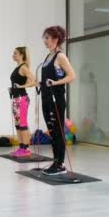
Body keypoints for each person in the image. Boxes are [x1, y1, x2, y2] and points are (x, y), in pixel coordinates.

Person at [40, 26, 76, 175]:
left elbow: (72, 76)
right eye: (45, 38)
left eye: (47, 38)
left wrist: (55, 83)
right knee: (52, 131)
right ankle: (56, 161)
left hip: (56, 98)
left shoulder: (60, 56)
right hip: (46, 97)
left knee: (58, 130)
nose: (45, 41)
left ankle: (60, 164)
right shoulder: (48, 57)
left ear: (56, 39)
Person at [9, 46, 36, 157]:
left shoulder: (23, 67)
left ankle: (26, 149)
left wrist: (21, 86)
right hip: (16, 98)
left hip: (22, 99)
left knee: (23, 124)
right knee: (18, 124)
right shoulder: (18, 67)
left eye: (15, 53)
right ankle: (21, 147)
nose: (13, 55)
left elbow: (33, 81)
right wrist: (13, 89)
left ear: (21, 55)